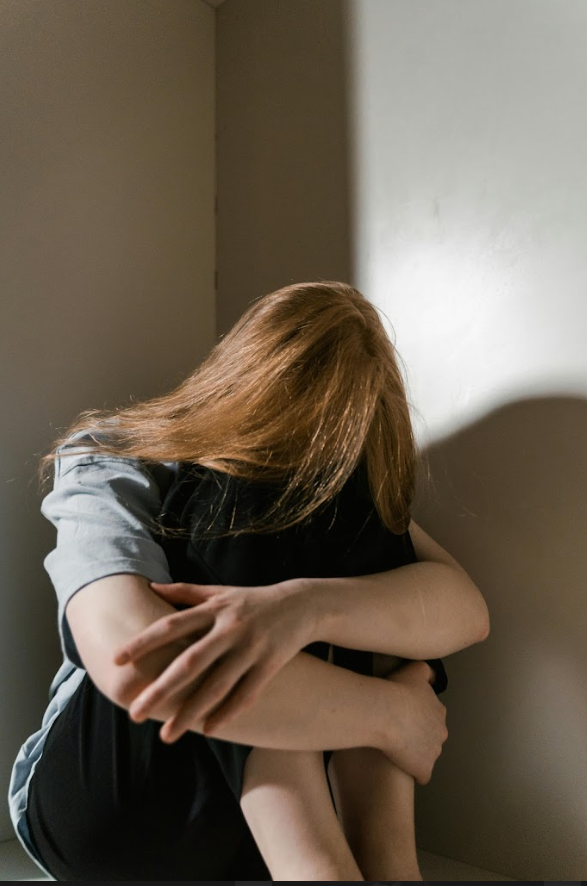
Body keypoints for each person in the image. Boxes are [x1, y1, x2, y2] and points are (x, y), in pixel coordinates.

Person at [8, 280, 490, 881]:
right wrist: (393, 716)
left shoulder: (344, 504)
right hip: (113, 807)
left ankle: (388, 861)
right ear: (246, 385)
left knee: (370, 509)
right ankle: (316, 867)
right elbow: (135, 662)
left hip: (240, 837)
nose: (317, 449)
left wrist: (304, 607)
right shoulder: (114, 456)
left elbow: (463, 610)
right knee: (248, 490)